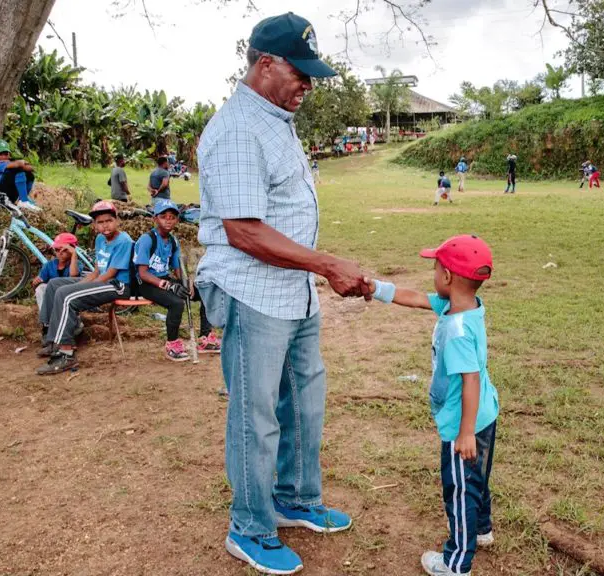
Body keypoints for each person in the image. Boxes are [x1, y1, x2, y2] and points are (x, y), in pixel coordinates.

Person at [194, 12, 368, 575]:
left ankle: (294, 499)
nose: (308, 84)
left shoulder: (275, 120)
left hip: (294, 294)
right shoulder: (239, 127)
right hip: (253, 294)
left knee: (305, 402)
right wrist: (328, 264)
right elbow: (243, 231)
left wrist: (315, 273)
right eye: (301, 71)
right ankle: (249, 526)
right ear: (264, 63)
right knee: (257, 415)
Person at [364, 234, 499, 576]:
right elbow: (412, 298)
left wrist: (464, 433)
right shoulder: (464, 307)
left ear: (449, 278)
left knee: (459, 490)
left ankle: (456, 563)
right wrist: (375, 288)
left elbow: (470, 380)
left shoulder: (455, 330)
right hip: (486, 413)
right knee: (477, 479)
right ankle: (481, 529)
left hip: (463, 424)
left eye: (436, 268)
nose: (433, 274)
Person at [35, 201, 133, 375]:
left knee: (67, 295)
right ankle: (52, 338)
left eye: (109, 220)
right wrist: (80, 284)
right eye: (100, 222)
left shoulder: (124, 241)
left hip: (117, 285)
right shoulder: (100, 239)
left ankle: (66, 354)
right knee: (55, 284)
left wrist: (78, 288)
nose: (105, 225)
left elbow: (110, 274)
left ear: (117, 220)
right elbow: (97, 271)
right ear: (94, 225)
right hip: (102, 280)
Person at [134, 199, 221, 361]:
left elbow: (177, 268)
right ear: (155, 219)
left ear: (177, 220)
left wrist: (186, 282)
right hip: (146, 283)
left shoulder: (173, 241)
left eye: (172, 217)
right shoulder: (147, 240)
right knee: (176, 303)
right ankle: (172, 344)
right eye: (163, 216)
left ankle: (205, 338)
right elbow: (143, 273)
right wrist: (168, 286)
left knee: (202, 293)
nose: (168, 220)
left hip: (164, 279)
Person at [0, 139, 41, 212]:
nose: (3, 157)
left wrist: (22, 164)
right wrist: (21, 163)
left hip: (4, 192)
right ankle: (24, 201)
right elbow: (18, 164)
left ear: (9, 155)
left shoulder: (8, 162)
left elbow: (31, 169)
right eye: (0, 154)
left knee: (29, 174)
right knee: (14, 171)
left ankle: (24, 200)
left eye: (6, 154)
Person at [32, 233, 80, 314]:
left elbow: (73, 275)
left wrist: (74, 255)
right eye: (57, 250)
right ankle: (47, 320)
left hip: (68, 297)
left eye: (64, 250)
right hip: (53, 297)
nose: (59, 253)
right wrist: (36, 283)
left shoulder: (76, 264)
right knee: (40, 288)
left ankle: (71, 317)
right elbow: (37, 284)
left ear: (72, 250)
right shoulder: (49, 265)